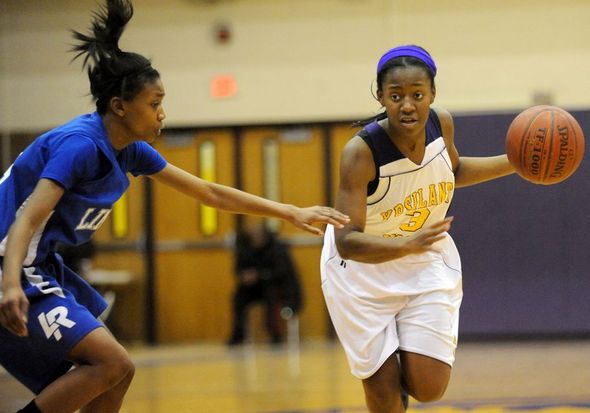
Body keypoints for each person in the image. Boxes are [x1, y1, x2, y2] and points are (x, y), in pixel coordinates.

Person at [0, 1, 349, 412]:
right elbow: (27, 218)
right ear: (119, 107)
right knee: (111, 362)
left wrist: (291, 212)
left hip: (35, 263)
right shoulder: (79, 146)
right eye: (155, 103)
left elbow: (210, 193)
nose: (163, 114)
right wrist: (9, 285)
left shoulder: (130, 150)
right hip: (11, 261)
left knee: (117, 371)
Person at [319, 45, 515, 413]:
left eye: (417, 95)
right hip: (360, 273)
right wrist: (407, 244)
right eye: (396, 96)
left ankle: (397, 365)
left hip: (420, 259)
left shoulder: (442, 124)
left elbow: (452, 173)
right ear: (381, 97)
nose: (407, 105)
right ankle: (386, 377)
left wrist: (516, 163)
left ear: (432, 95)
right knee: (384, 400)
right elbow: (346, 242)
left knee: (429, 387)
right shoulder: (360, 153)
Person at [227, 218, 303, 346]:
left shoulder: (277, 248)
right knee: (238, 297)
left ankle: (274, 334)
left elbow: (282, 273)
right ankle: (238, 334)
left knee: (271, 294)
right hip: (254, 289)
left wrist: (260, 275)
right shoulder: (245, 248)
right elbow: (238, 270)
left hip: (275, 287)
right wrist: (245, 276)